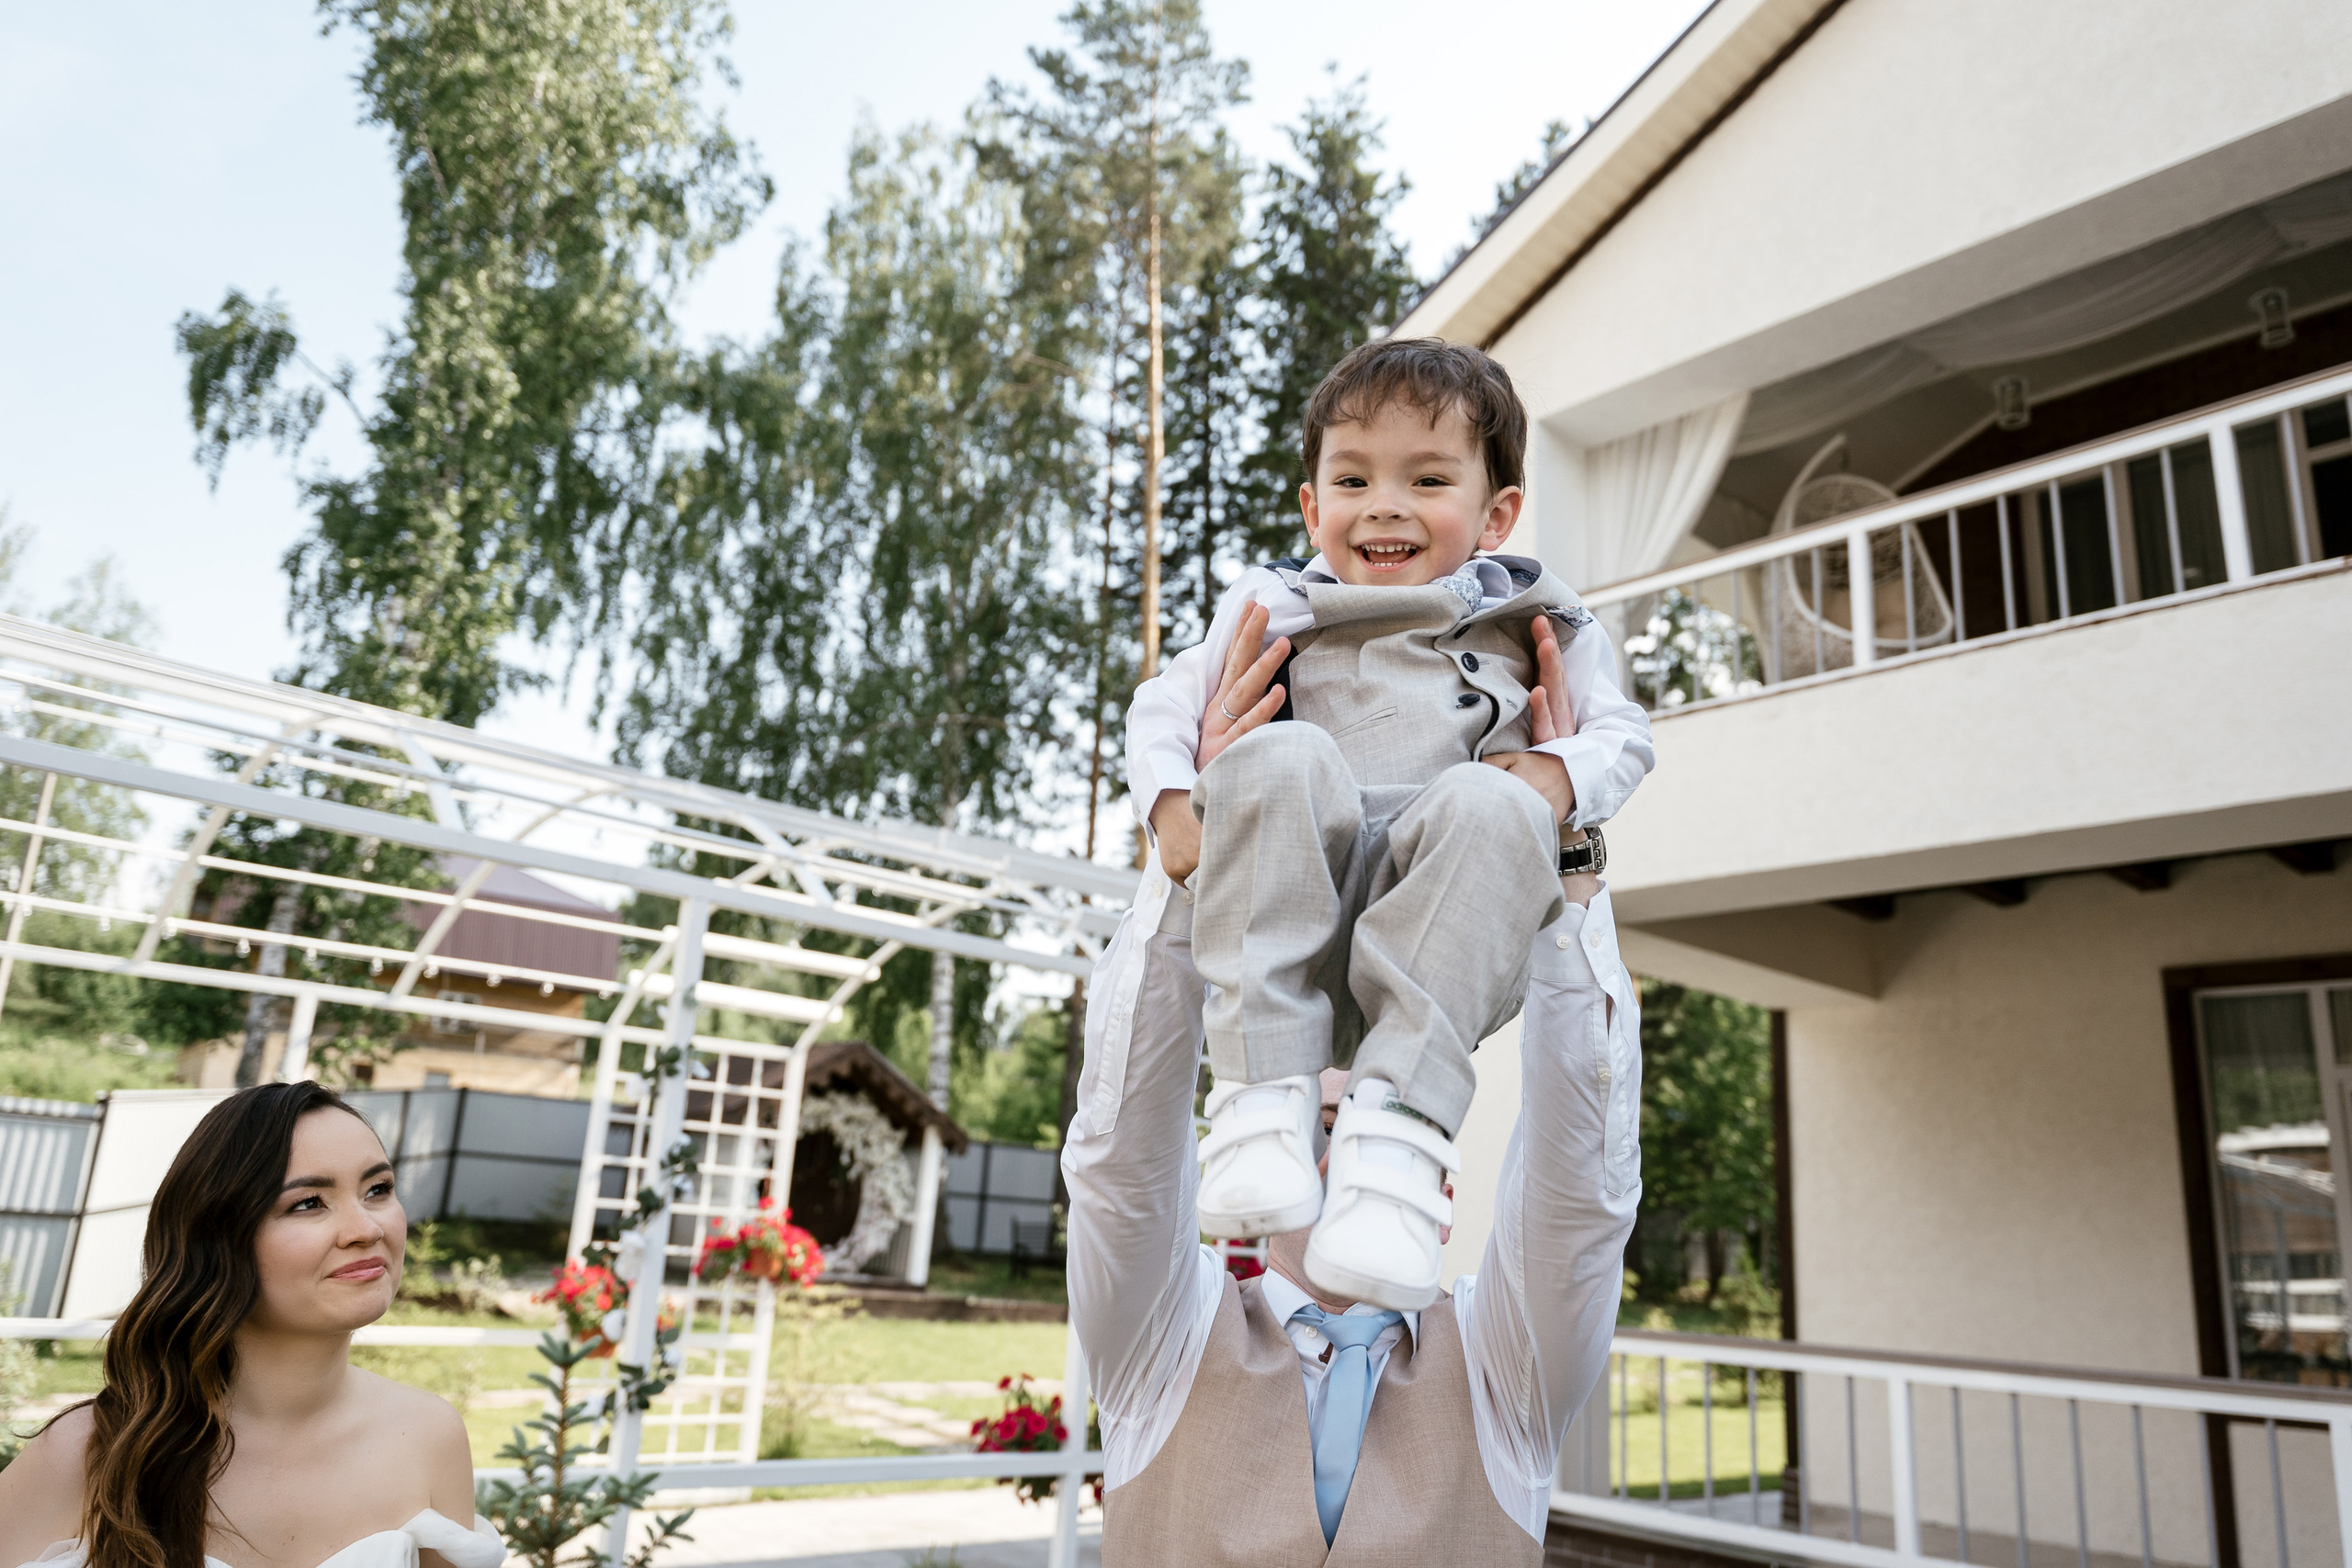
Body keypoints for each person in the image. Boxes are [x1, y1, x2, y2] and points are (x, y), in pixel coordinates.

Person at [1067, 641, 1642, 1562]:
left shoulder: (1505, 1377)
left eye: (1410, 1117)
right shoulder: (1160, 1346)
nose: (1362, 1149)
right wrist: (1188, 860)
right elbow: (1118, 1160)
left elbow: (1585, 1196)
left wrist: (1567, 859)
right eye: (1328, 1121)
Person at [1124, 335, 1652, 1310]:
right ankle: (1256, 1101)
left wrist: (1552, 779)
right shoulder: (1273, 599)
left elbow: (1622, 735)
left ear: (1497, 514)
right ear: (1311, 504)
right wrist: (1169, 806)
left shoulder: (1545, 618)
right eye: (1353, 477)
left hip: (1443, 913)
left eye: (1428, 477)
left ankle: (1397, 1152)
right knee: (1278, 756)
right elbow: (1164, 703)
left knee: (1489, 803)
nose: (1385, 505)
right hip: (1292, 888)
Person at [0, 1082, 499, 1568]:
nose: (367, 1229)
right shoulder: (91, 1451)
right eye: (308, 1203)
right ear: (215, 1239)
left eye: (378, 1189)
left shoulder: (430, 1435)